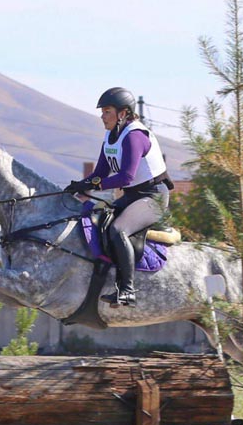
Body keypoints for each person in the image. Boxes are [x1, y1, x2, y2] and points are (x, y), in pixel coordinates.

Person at [65, 87, 172, 308]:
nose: (102, 117)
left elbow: (125, 176)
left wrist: (94, 185)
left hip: (154, 197)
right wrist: (81, 185)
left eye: (107, 112)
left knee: (118, 229)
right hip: (134, 196)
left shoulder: (134, 136)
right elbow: (100, 173)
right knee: (100, 222)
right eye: (102, 112)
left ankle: (127, 291)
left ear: (122, 113)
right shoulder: (111, 136)